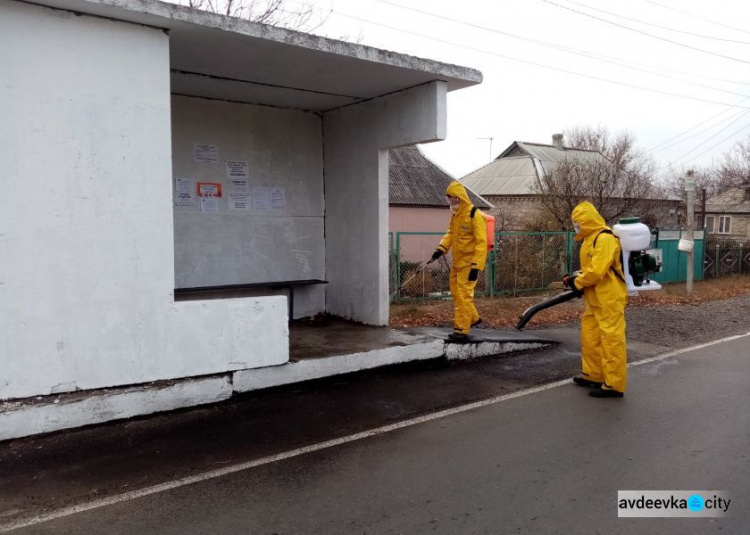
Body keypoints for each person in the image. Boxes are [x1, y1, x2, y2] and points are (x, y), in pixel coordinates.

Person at [565, 201, 628, 398]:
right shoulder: (588, 240)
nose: (576, 226)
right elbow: (588, 269)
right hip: (594, 298)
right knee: (590, 336)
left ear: (588, 221)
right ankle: (593, 374)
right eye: (575, 223)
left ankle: (614, 384)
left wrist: (579, 282)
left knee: (611, 340)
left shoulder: (605, 238)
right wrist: (574, 277)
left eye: (578, 222)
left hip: (609, 297)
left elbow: (598, 270)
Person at [430, 181, 487, 341]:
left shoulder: (474, 215)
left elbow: (481, 242)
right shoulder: (456, 215)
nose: (447, 200)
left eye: (449, 197)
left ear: (458, 198)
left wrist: (476, 266)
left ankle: (461, 329)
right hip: (458, 262)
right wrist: (441, 248)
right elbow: (451, 234)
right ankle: (474, 318)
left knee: (463, 295)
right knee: (456, 292)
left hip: (469, 264)